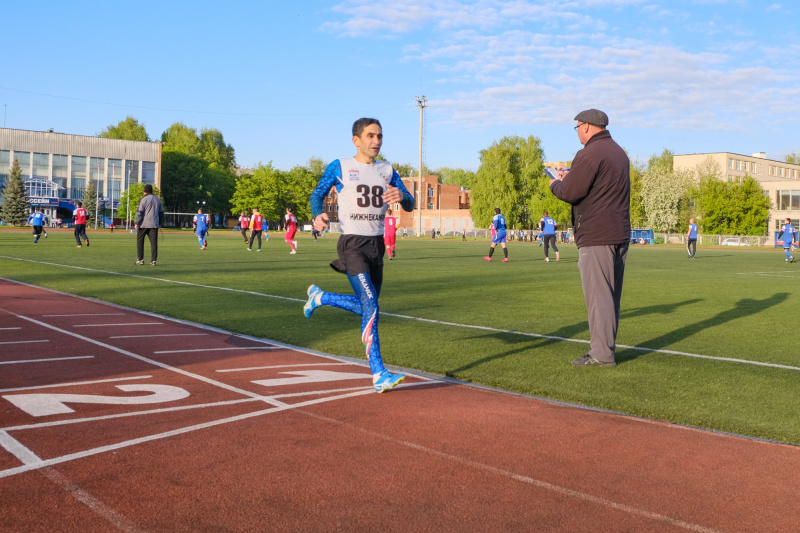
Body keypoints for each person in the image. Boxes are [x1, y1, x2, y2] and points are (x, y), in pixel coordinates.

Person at [303, 117, 415, 393]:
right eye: (371, 136)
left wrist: (401, 197)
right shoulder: (340, 166)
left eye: (380, 136)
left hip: (376, 245)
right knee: (371, 305)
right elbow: (317, 194)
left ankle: (321, 297)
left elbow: (410, 202)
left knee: (370, 306)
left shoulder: (387, 170)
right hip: (352, 243)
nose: (376, 141)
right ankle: (378, 373)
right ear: (356, 140)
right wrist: (318, 214)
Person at [549, 109, 630, 368]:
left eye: (577, 128)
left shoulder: (589, 153)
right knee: (609, 295)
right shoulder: (619, 152)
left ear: (585, 126)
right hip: (619, 232)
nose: (577, 133)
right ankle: (605, 348)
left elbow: (571, 192)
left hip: (597, 234)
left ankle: (602, 354)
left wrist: (555, 184)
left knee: (598, 297)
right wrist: (570, 176)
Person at [134, 184, 164, 266]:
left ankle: (140, 259)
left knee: (140, 241)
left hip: (143, 224)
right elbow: (161, 213)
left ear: (144, 190)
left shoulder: (143, 200)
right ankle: (153, 261)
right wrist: (160, 223)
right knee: (154, 243)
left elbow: (139, 212)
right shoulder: (158, 200)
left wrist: (137, 223)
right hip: (154, 224)